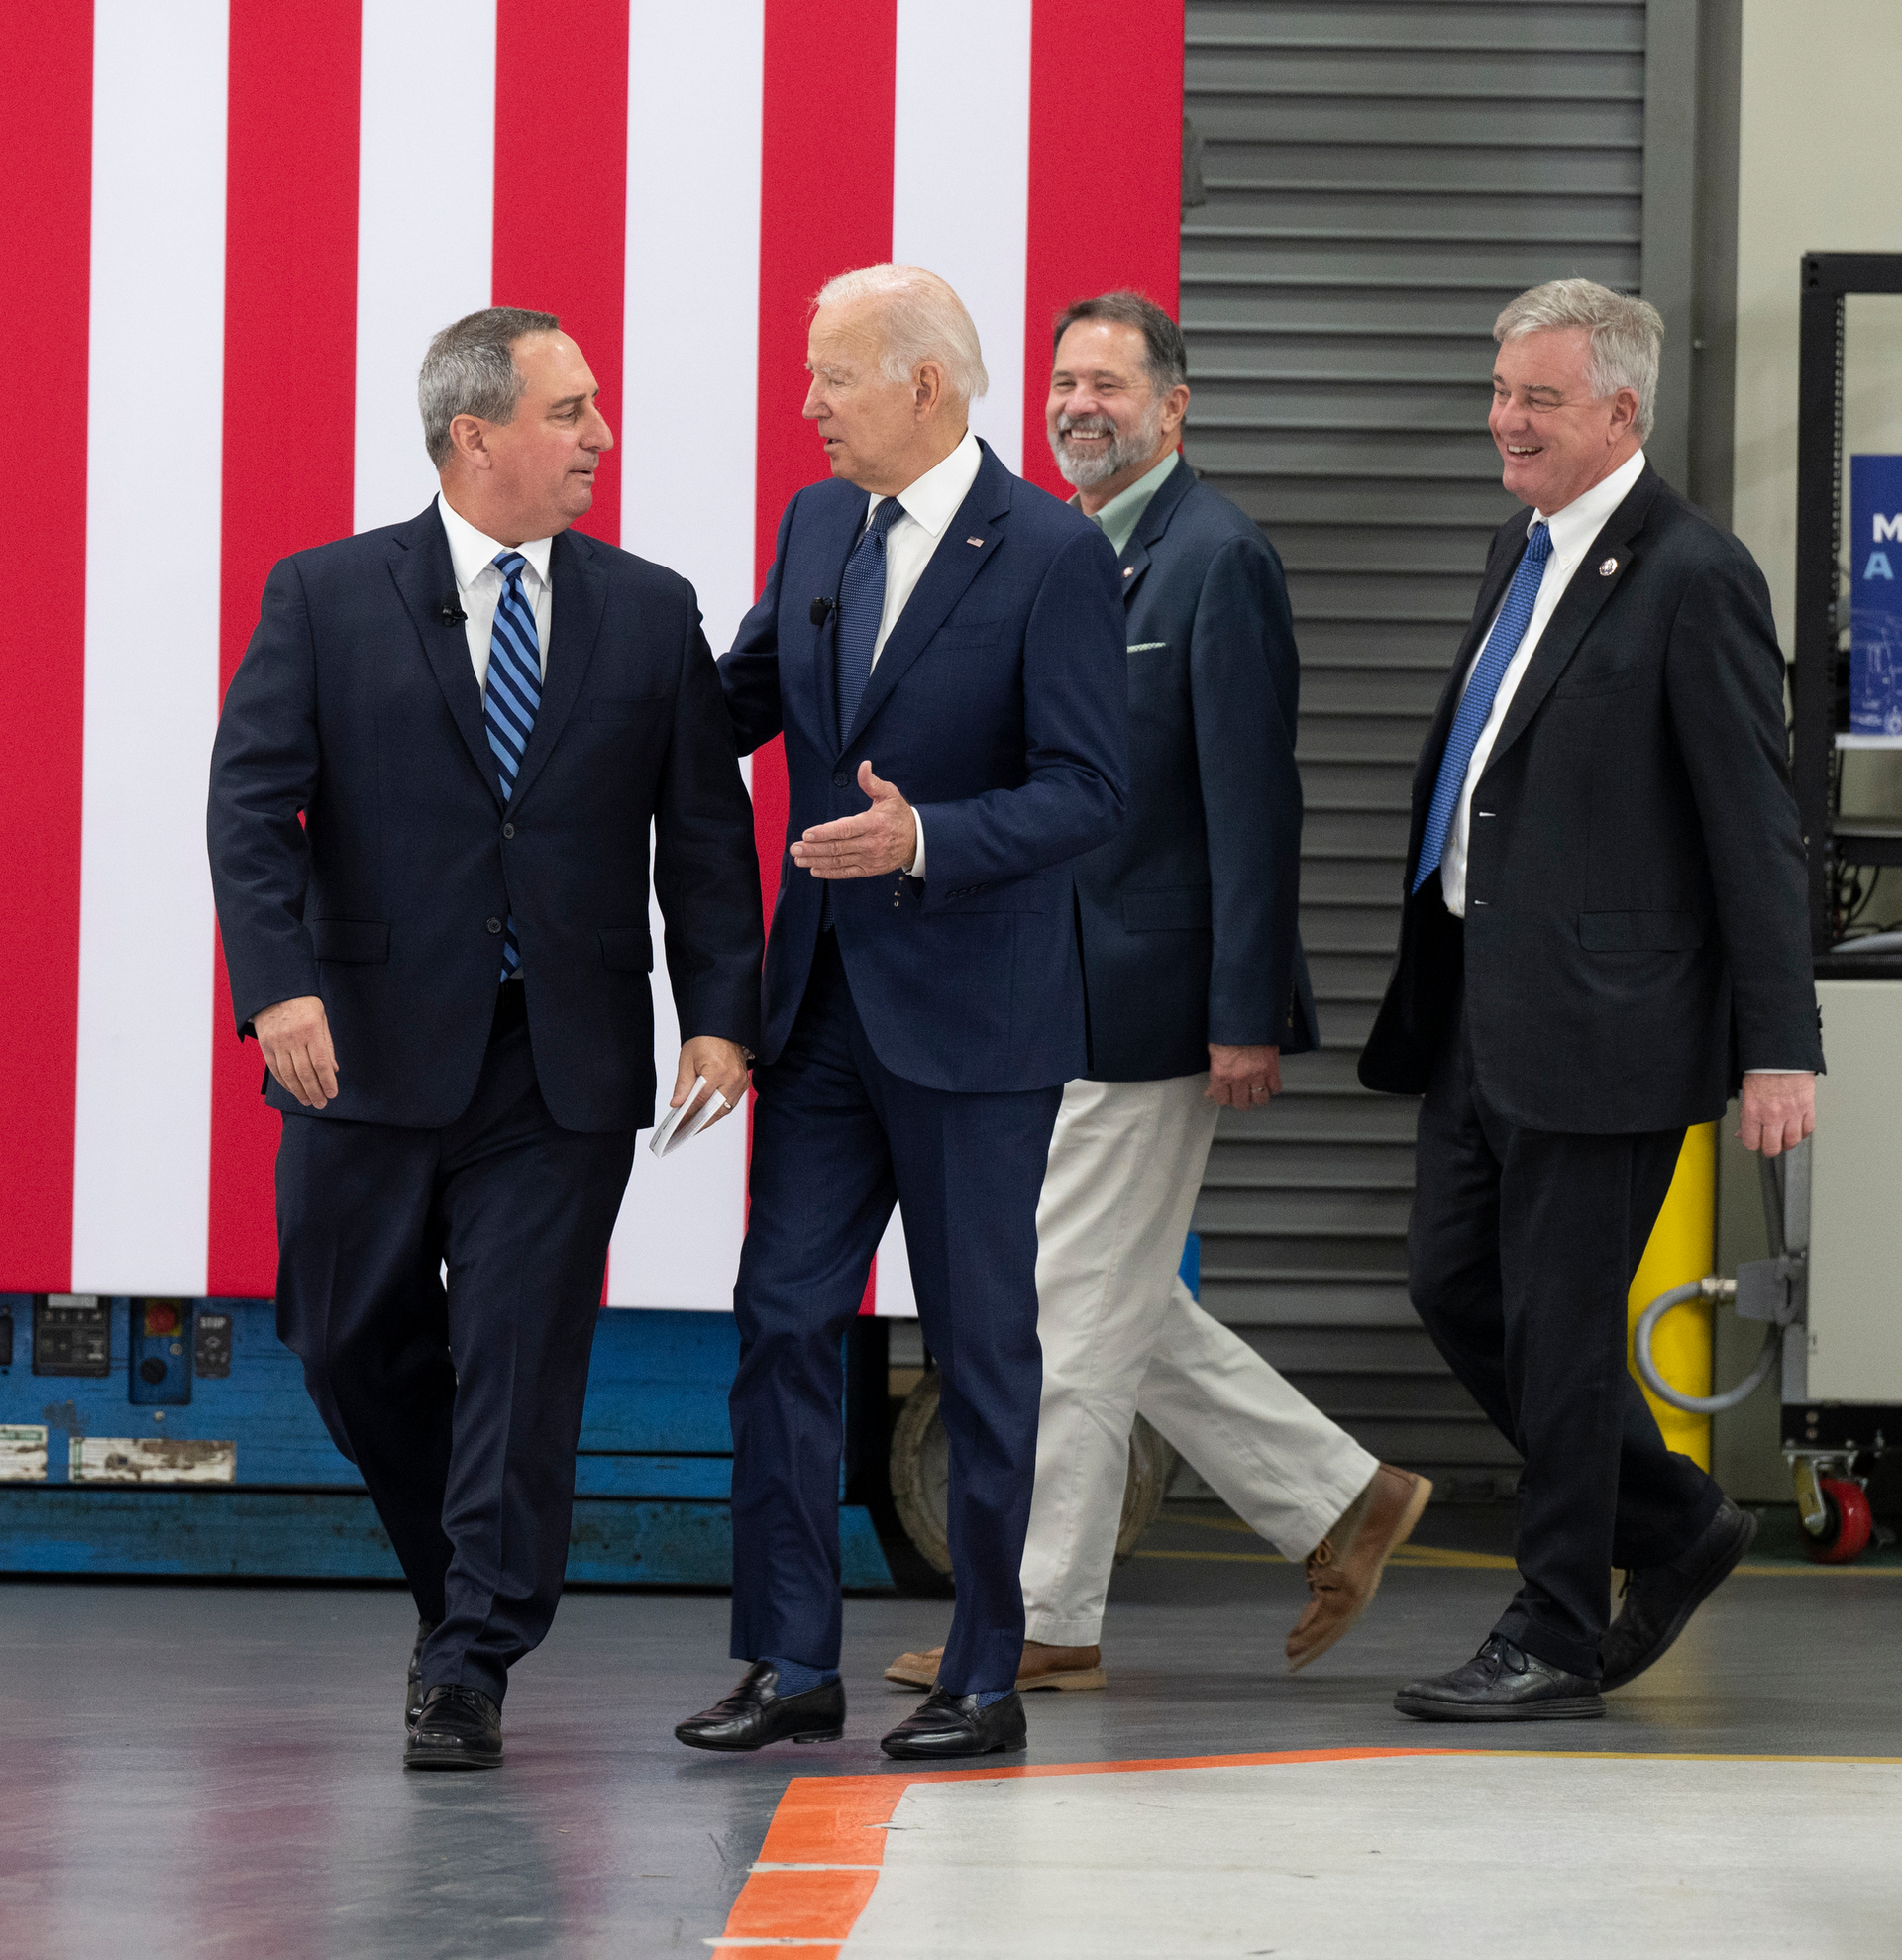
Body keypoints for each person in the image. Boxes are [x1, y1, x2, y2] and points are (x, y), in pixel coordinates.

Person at [207, 307, 763, 1771]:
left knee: (519, 1357)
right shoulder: (323, 595)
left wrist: (720, 1015)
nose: (600, 437)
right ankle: (462, 1583)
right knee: (341, 1341)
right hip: (362, 1047)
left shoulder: (651, 610)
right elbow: (251, 807)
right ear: (476, 435)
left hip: (562, 1059)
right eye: (571, 410)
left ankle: (469, 1659)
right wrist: (276, 988)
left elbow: (707, 836)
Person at [884, 292, 1430, 1703]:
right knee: (1117, 1298)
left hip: (1157, 1001)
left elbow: (1256, 803)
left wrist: (1248, 1008)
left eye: (1111, 384)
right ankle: (1347, 1498)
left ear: (1173, 409)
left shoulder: (1217, 559)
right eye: (1065, 381)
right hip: (1036, 994)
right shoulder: (1057, 553)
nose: (1082, 405)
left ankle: (1043, 1611)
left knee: (1063, 1301)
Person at [675, 264, 1126, 1762]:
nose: (806, 406)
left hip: (976, 1020)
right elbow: (735, 702)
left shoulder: (1052, 553)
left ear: (924, 385)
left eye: (833, 379)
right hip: (817, 1013)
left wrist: (926, 835)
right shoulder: (818, 525)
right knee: (783, 1322)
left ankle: (986, 1674)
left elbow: (1086, 790)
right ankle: (790, 1659)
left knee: (983, 1347)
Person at [1360, 279, 1823, 1721]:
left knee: (1563, 1332)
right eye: (1499, 391)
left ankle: (1556, 1630)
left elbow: (1757, 828)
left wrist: (1779, 1050)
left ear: (1620, 410)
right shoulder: (1524, 542)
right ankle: (1672, 1520)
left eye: (1537, 398)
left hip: (1608, 1023)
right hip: (1481, 1011)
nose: (1504, 420)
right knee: (1455, 1286)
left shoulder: (1694, 573)